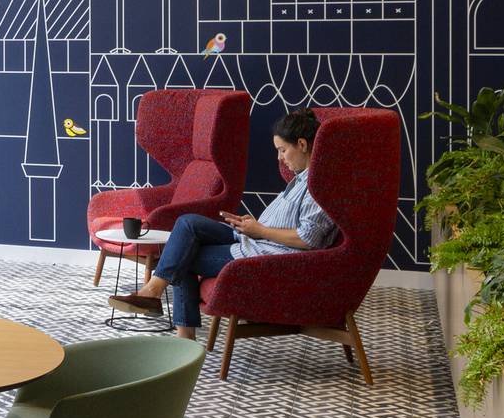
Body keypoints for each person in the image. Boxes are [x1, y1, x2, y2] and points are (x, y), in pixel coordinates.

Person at [115, 109, 339, 337]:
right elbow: (287, 223)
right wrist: (252, 225)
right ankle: (155, 296)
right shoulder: (301, 179)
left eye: (282, 150)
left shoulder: (318, 185)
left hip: (270, 254)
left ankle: (172, 321)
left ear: (302, 144)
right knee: (187, 223)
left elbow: (308, 238)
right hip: (255, 238)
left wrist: (260, 230)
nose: (279, 158)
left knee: (183, 255)